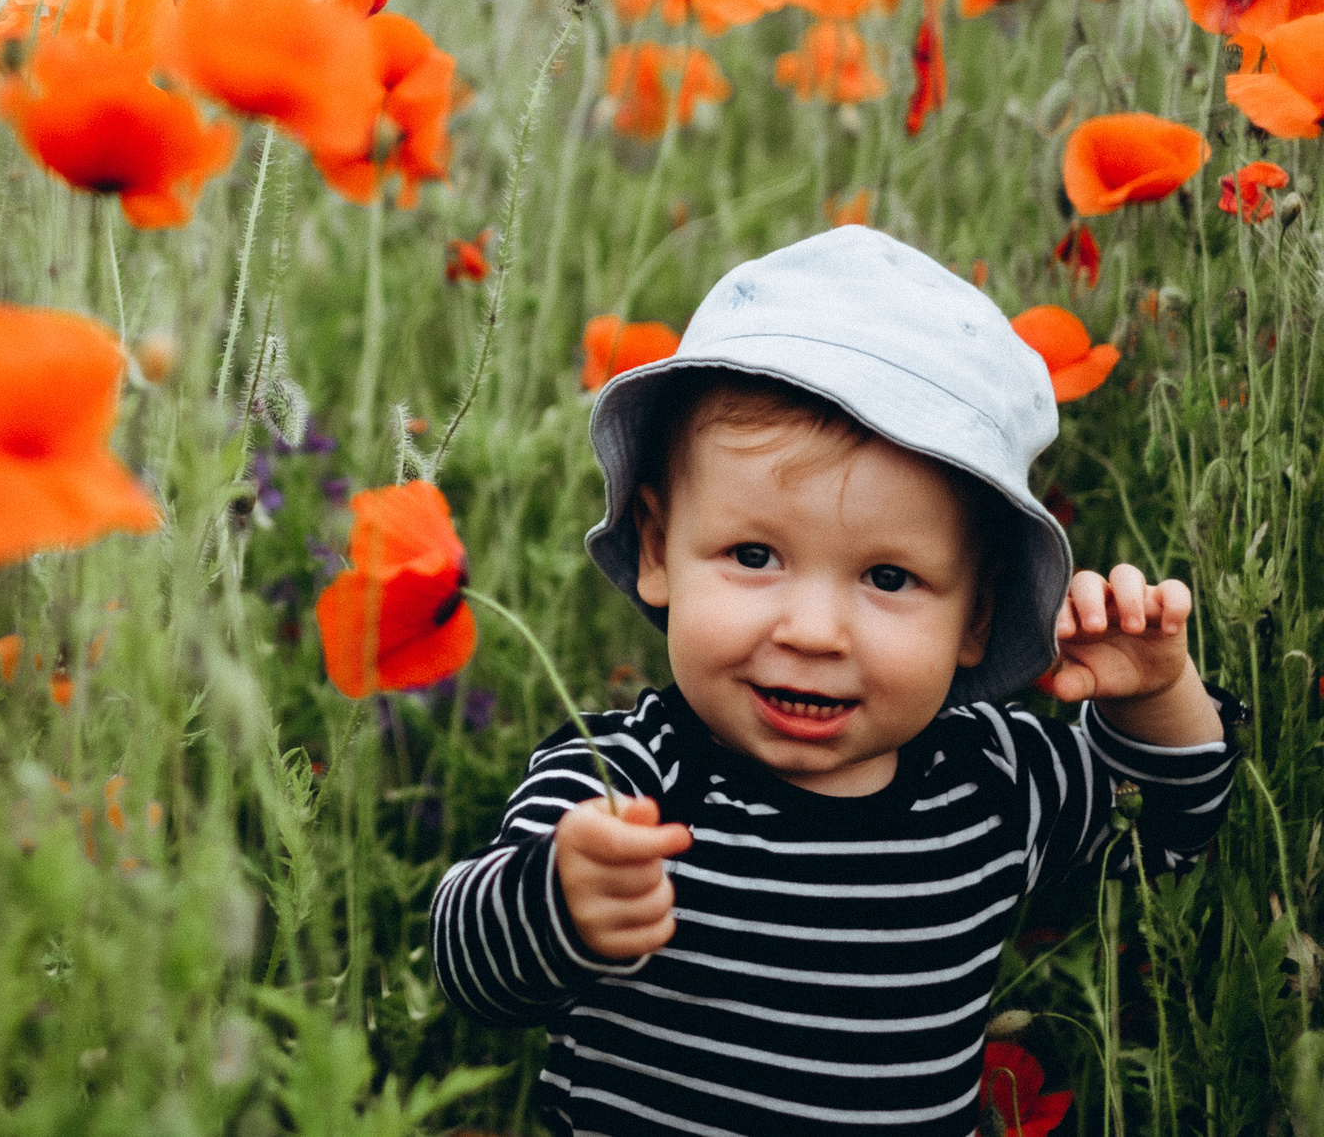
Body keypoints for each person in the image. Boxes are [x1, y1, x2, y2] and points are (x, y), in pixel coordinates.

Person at [428, 226, 1239, 1137]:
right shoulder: (628, 781)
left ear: (976, 615)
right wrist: (557, 898)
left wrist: (1152, 695)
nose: (813, 632)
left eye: (888, 577)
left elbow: (1167, 823)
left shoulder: (991, 780)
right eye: (754, 555)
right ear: (658, 550)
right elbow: (469, 966)